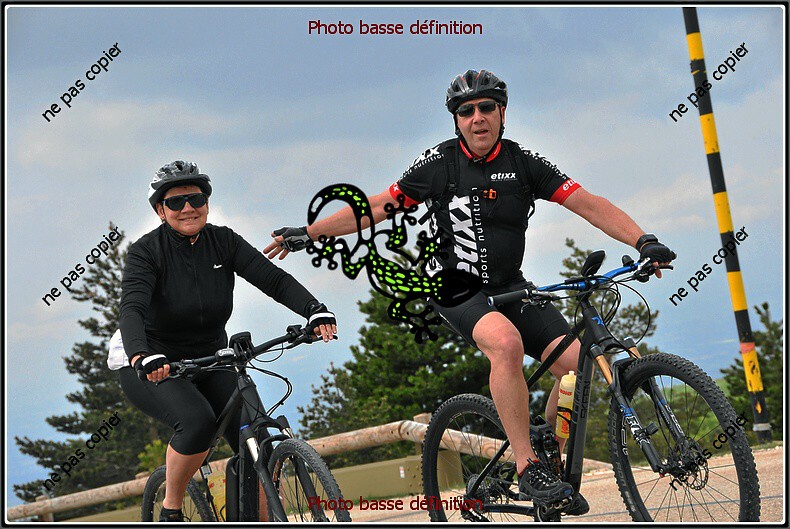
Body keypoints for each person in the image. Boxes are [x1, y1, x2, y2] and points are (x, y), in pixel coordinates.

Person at [264, 70, 674, 512]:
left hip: (511, 287)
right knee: (506, 343)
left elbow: (588, 203)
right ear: (457, 120)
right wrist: (310, 232)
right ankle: (527, 464)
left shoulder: (523, 162)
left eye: (486, 107)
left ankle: (549, 457)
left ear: (502, 113)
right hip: (456, 289)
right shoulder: (439, 164)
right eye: (466, 111)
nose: (477, 117)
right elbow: (378, 206)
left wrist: (643, 241)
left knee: (579, 366)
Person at [116, 160, 337, 522]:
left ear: (207, 202)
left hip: (210, 357)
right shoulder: (146, 252)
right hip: (154, 361)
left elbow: (273, 280)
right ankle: (171, 508)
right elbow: (132, 310)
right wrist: (141, 355)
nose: (188, 208)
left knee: (256, 439)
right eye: (175, 202)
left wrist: (315, 311)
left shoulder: (224, 241)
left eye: (196, 198)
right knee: (197, 422)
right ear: (160, 211)